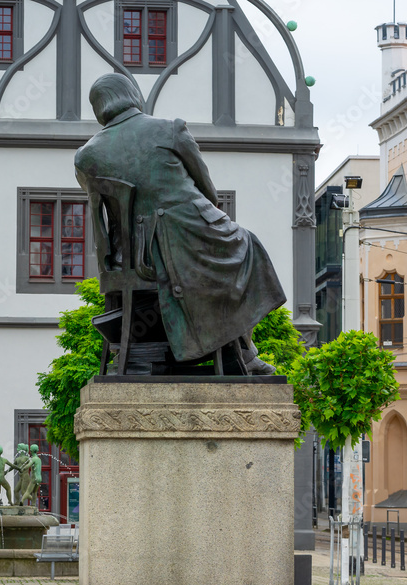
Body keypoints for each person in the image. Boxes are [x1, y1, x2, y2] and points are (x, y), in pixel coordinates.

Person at [74, 73, 285, 374]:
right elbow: (208, 192)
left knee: (220, 259)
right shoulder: (170, 129)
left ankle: (237, 350)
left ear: (100, 108)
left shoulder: (85, 156)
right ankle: (243, 352)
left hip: (133, 260)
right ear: (132, 95)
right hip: (189, 240)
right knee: (246, 245)